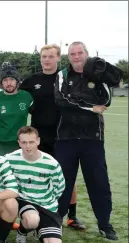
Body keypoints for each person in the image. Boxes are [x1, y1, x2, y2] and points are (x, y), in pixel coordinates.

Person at [54, 41, 123, 240]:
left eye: (79, 53)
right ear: (68, 56)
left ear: (86, 54)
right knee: (63, 183)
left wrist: (76, 99)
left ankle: (104, 224)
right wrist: (89, 106)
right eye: (72, 53)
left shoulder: (97, 73)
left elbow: (106, 100)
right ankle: (57, 220)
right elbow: (60, 100)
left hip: (92, 138)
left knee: (98, 182)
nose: (76, 57)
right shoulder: (63, 75)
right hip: (65, 137)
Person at [19, 44, 85, 230]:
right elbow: (14, 94)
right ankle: (31, 211)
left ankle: (71, 216)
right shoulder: (32, 80)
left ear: (58, 58)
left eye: (50, 56)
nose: (46, 60)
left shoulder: (66, 77)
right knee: (35, 174)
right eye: (43, 57)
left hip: (64, 136)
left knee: (67, 176)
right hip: (38, 137)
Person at [6, 126, 65, 243]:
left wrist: (49, 201)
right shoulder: (10, 159)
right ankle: (22, 231)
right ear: (19, 143)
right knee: (32, 219)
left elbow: (60, 187)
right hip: (25, 201)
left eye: (31, 142)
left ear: (38, 141)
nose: (28, 146)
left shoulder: (51, 163)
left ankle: (39, 229)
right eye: (24, 142)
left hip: (47, 205)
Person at [0, 63, 33, 155]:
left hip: (21, 143)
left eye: (12, 79)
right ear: (1, 83)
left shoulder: (26, 97)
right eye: (5, 80)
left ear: (17, 81)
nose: (9, 83)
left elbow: (37, 114)